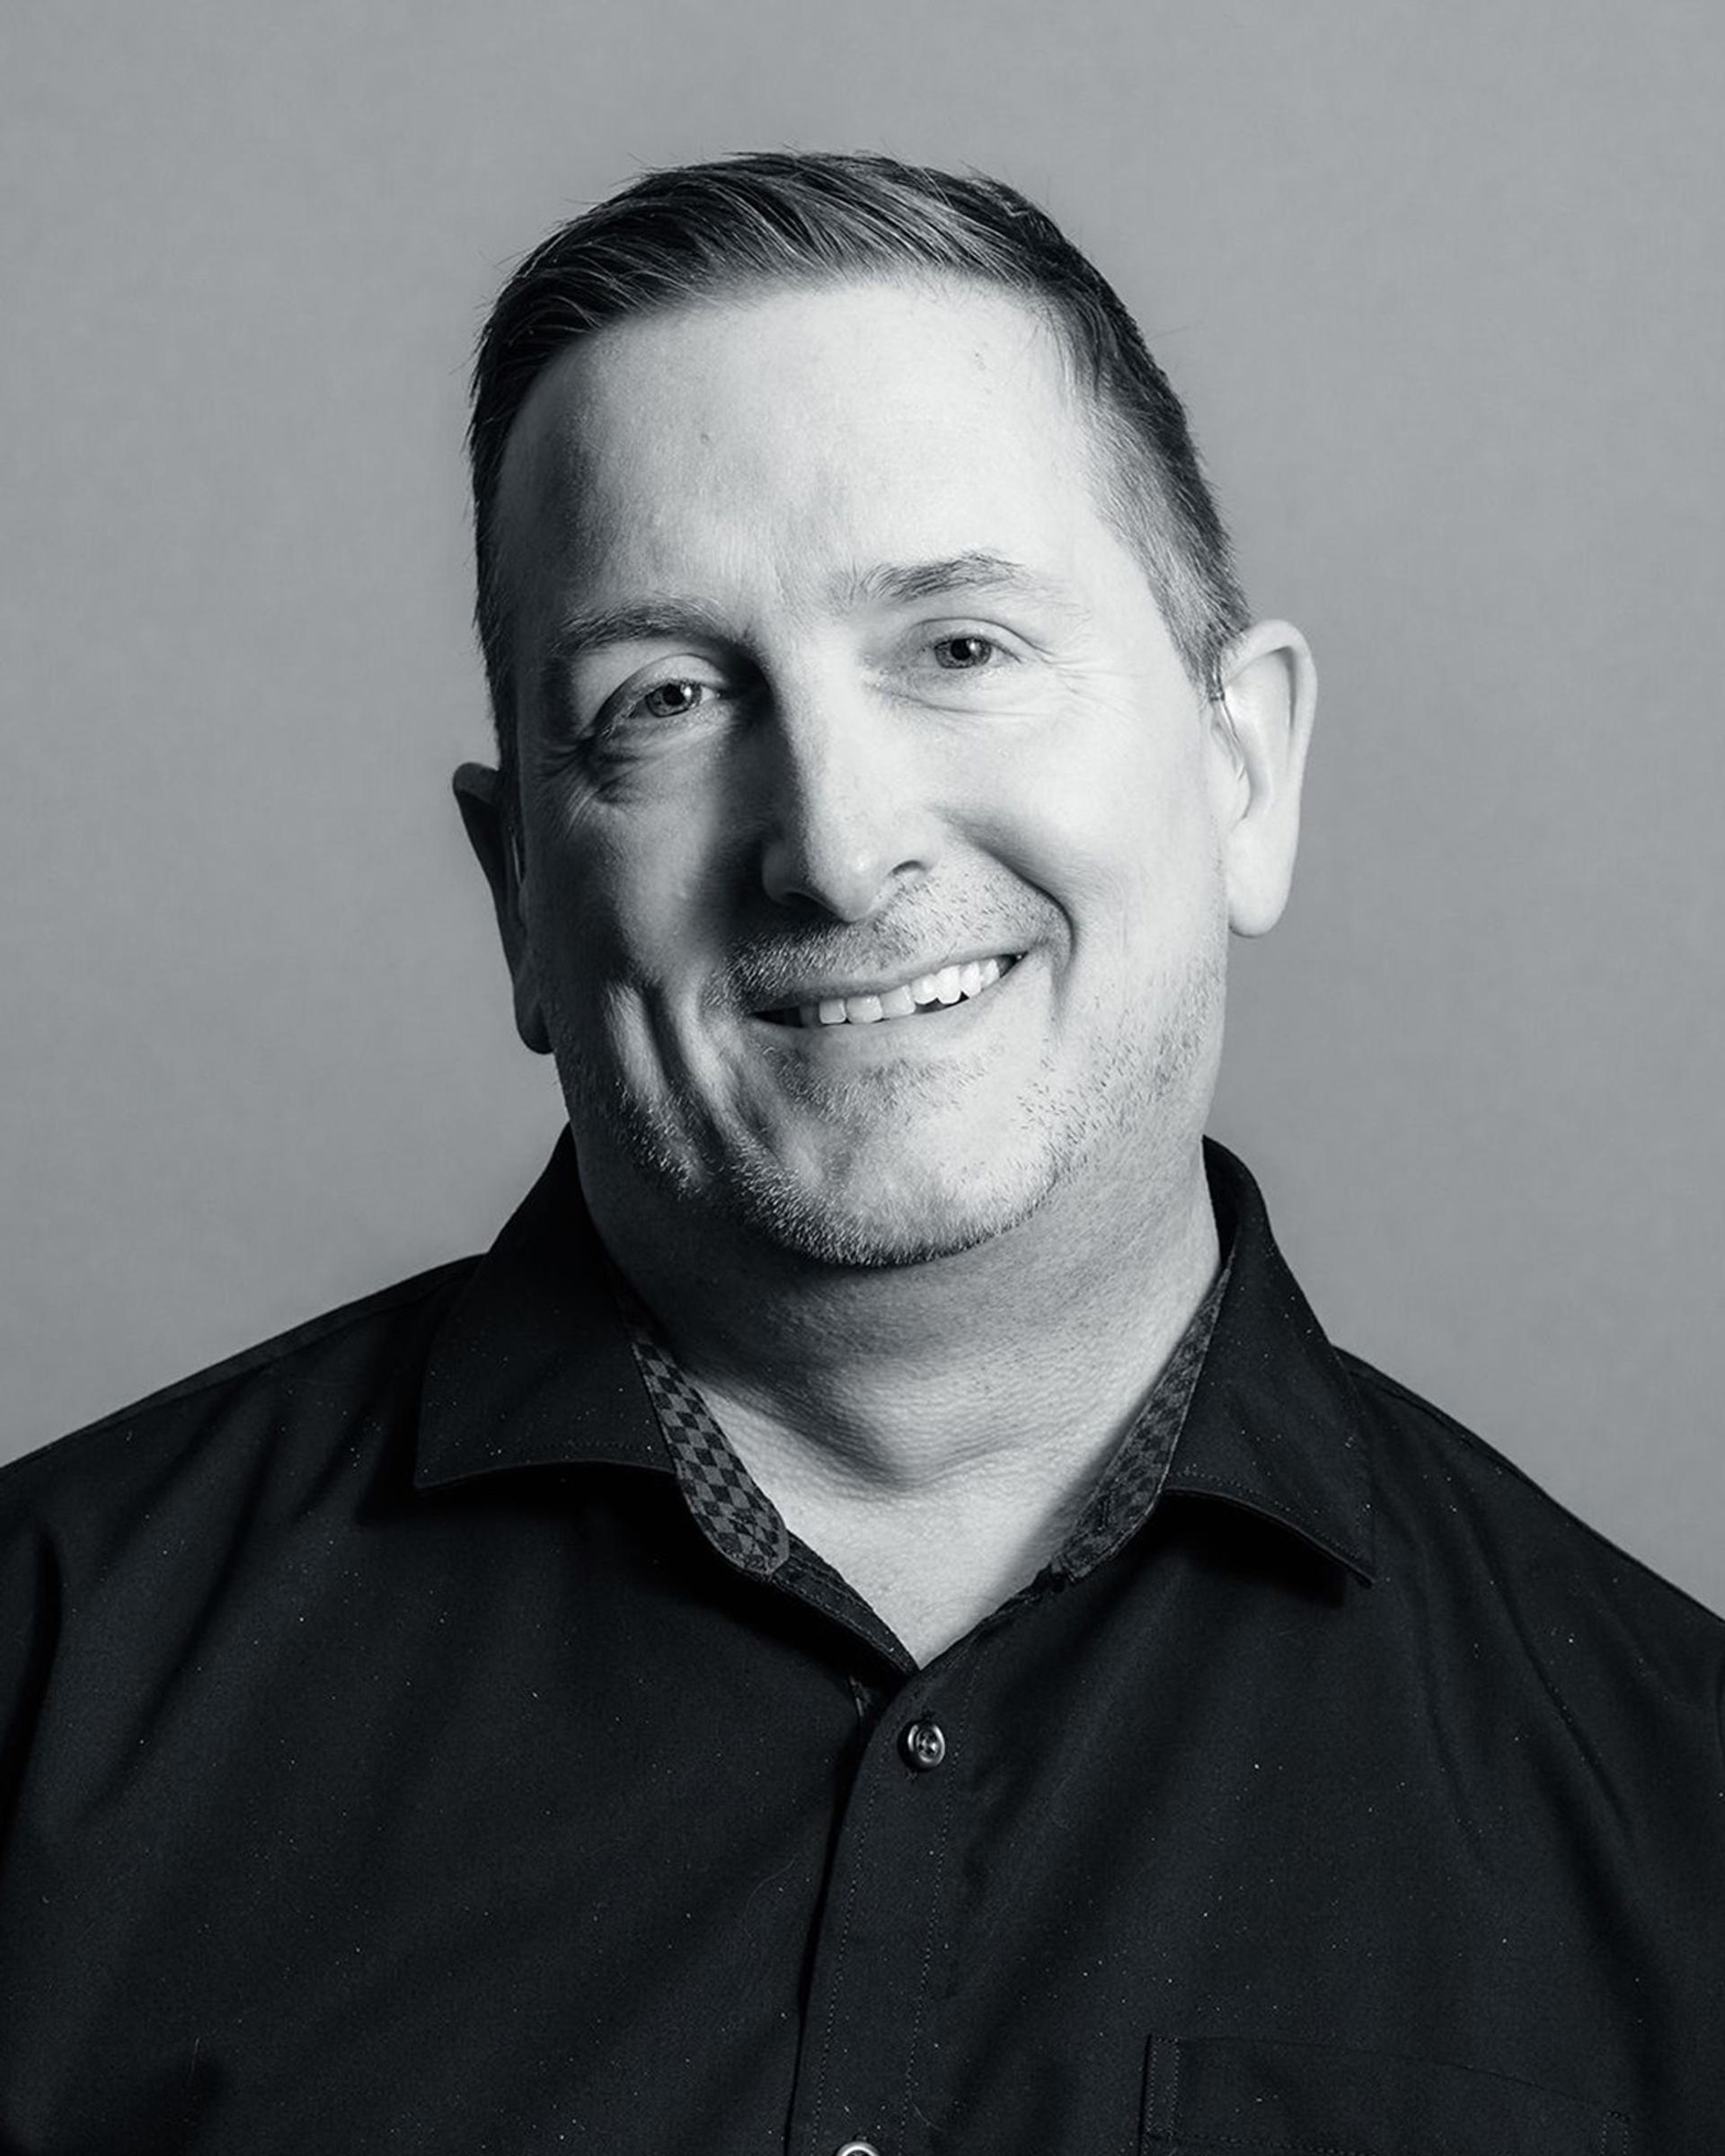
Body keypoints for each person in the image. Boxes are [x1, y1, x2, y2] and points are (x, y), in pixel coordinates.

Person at [1, 152, 1719, 2155]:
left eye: (962, 647)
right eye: (666, 696)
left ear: (1243, 769)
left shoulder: (1681, 1823)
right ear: (520, 897)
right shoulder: (40, 1696)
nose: (833, 843)